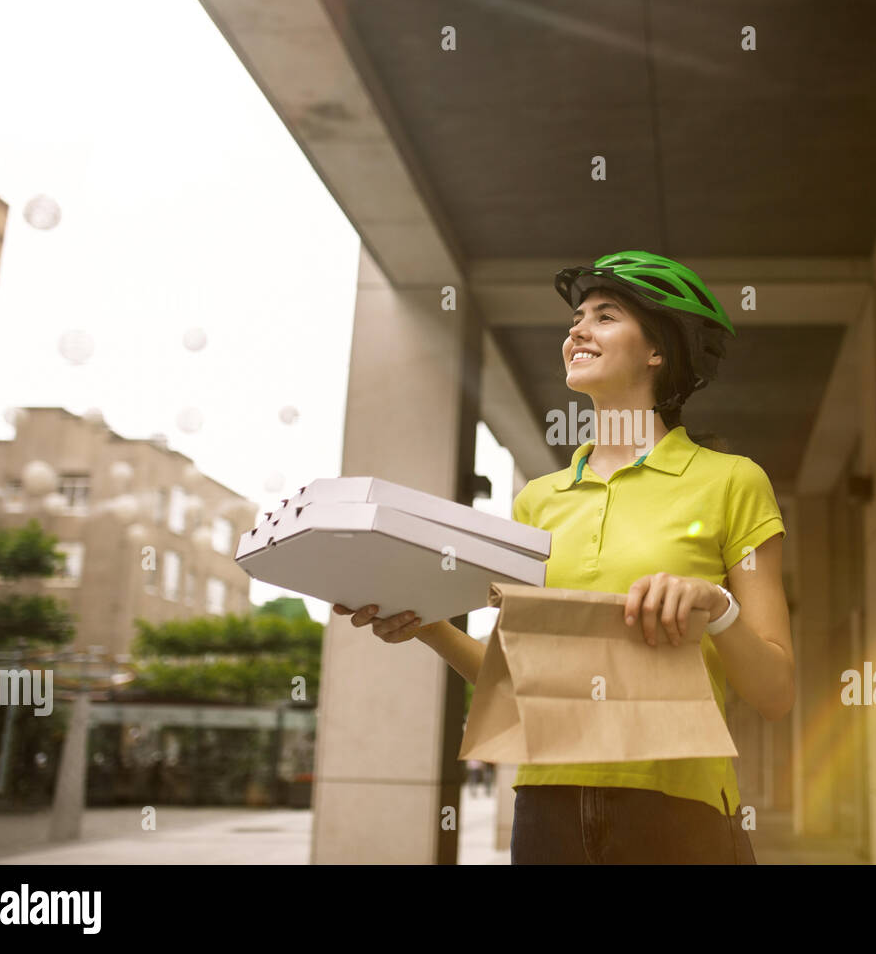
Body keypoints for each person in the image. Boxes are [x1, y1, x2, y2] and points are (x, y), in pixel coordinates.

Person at [334, 251, 793, 864]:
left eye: (606, 316)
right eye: (576, 318)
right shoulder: (538, 501)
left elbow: (776, 692)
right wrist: (426, 626)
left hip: (679, 806)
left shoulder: (733, 482)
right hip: (547, 806)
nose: (577, 330)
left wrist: (717, 606)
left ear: (659, 351)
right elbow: (520, 685)